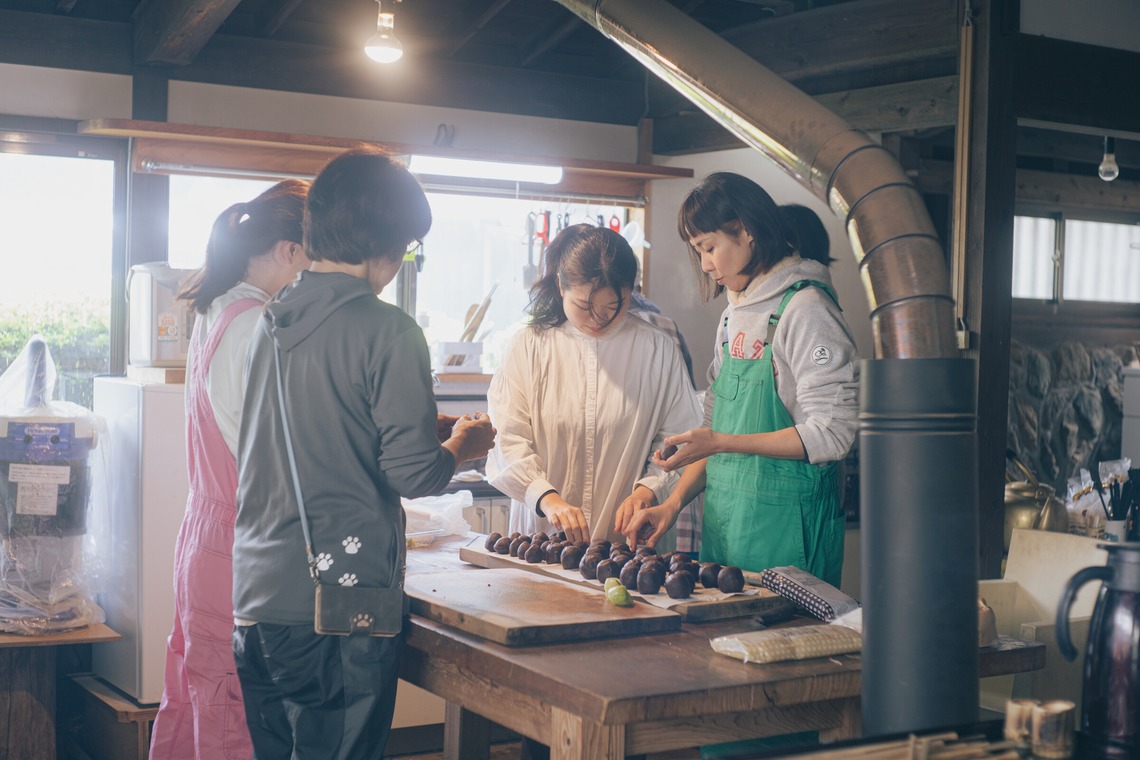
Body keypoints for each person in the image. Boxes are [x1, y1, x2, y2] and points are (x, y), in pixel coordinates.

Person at [231, 148, 496, 759]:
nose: (404, 258)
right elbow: (412, 473)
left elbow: (317, 425)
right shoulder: (389, 329)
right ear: (387, 240)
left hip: (256, 598)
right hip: (337, 605)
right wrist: (463, 446)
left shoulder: (271, 321)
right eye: (407, 243)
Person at [619, 172, 858, 589]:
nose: (707, 265)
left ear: (746, 231)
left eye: (710, 247)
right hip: (727, 536)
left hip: (789, 540)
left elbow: (833, 434)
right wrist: (671, 504)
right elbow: (713, 434)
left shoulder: (806, 310)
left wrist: (722, 441)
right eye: (699, 251)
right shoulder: (733, 316)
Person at [150, 179, 311, 760]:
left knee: (201, 699)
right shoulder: (259, 325)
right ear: (292, 251)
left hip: (205, 536)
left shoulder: (219, 310)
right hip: (241, 544)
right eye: (315, 255)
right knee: (232, 717)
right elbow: (274, 456)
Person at [486, 223, 701, 547]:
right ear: (561, 286)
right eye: (585, 307)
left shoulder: (656, 348)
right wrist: (546, 497)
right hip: (542, 536)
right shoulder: (529, 345)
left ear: (632, 291)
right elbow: (507, 438)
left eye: (613, 308)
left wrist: (649, 489)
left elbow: (678, 440)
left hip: (628, 542)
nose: (598, 319)